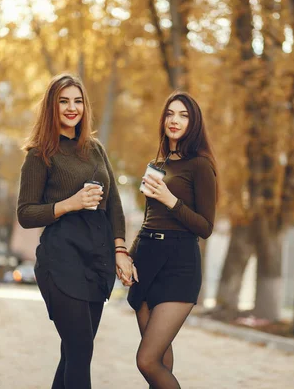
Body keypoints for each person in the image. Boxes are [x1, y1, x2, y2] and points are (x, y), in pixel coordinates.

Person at [16, 73, 134, 389]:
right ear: (51, 108)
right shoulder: (40, 154)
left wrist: (120, 250)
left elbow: (115, 206)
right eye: (63, 101)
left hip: (97, 263)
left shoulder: (95, 149)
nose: (72, 108)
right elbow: (25, 214)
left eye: (77, 101)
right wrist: (70, 203)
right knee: (80, 352)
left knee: (73, 354)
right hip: (61, 262)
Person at [127, 91, 218, 388]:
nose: (175, 120)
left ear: (194, 123)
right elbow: (149, 219)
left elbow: (205, 226)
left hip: (179, 264)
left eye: (183, 115)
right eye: (170, 114)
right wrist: (128, 255)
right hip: (146, 259)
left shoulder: (200, 166)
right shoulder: (157, 163)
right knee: (161, 360)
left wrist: (170, 200)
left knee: (147, 360)